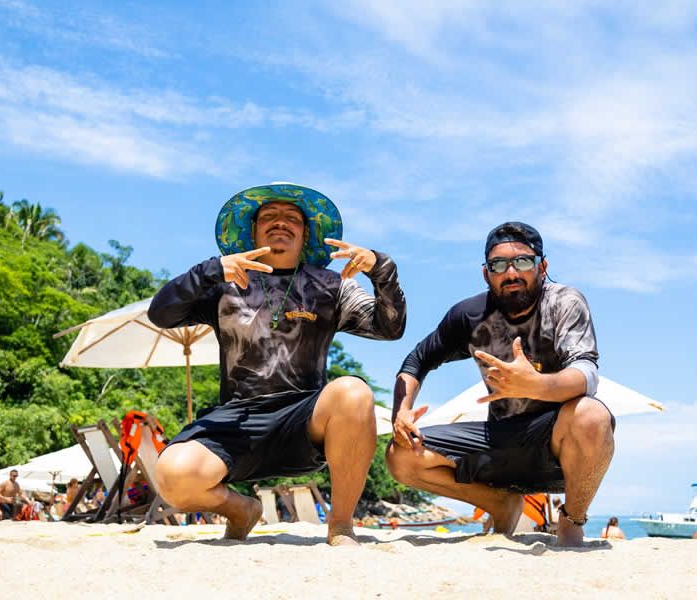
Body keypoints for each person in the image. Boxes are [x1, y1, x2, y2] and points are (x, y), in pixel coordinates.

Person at [149, 183, 406, 546]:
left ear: (306, 234)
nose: (280, 222)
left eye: (292, 219)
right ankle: (242, 510)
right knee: (173, 476)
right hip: (237, 421)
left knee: (353, 391)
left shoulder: (331, 286)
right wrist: (210, 270)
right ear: (252, 231)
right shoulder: (226, 284)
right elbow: (160, 314)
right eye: (268, 216)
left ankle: (342, 525)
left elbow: (389, 328)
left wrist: (382, 270)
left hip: (303, 421)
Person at [386, 221, 615, 547]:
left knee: (592, 415)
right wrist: (402, 412)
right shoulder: (470, 315)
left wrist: (536, 386)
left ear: (542, 266)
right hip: (500, 445)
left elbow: (586, 374)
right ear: (486, 274)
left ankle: (572, 521)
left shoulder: (564, 303)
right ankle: (500, 504)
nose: (511, 273)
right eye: (498, 265)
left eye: (523, 261)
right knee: (401, 455)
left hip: (556, 448)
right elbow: (416, 361)